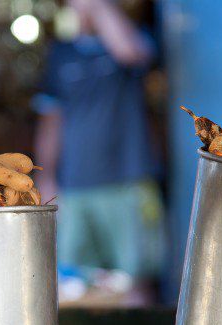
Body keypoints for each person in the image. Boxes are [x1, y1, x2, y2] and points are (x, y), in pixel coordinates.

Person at [34, 0, 165, 304]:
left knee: (135, 281)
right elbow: (51, 123)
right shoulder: (61, 53)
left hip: (129, 181)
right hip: (76, 185)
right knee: (74, 283)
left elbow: (131, 53)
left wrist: (99, 8)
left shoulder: (132, 40)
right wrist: (47, 178)